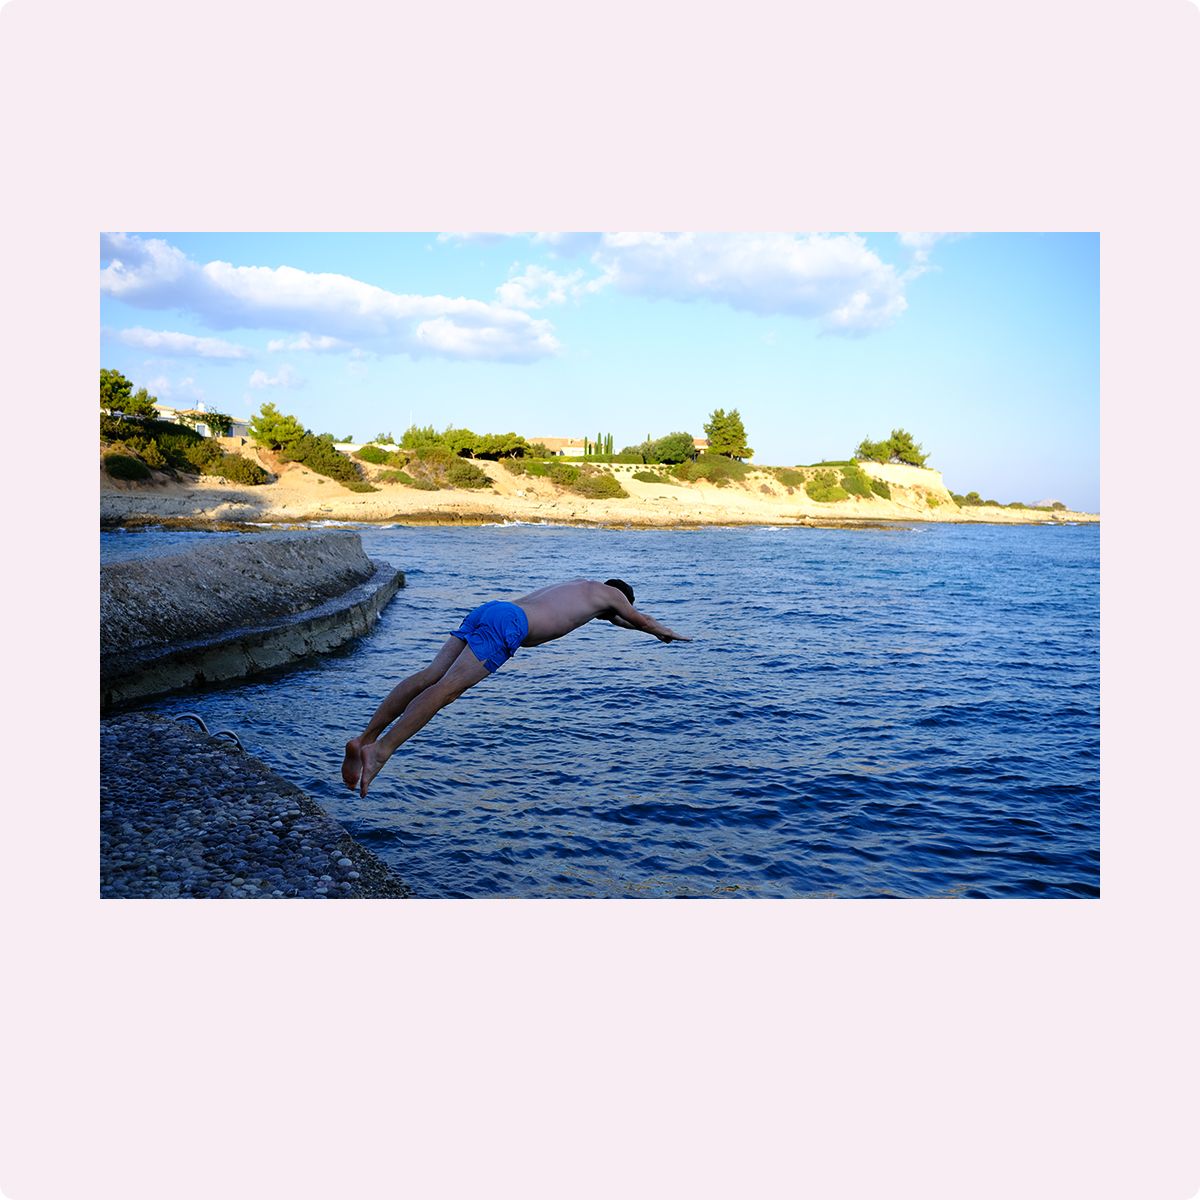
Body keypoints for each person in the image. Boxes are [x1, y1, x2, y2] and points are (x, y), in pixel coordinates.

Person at [342, 578, 690, 797]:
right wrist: (663, 631)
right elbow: (636, 618)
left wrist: (641, 629)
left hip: (494, 609)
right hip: (511, 623)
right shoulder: (613, 593)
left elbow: (622, 622)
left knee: (430, 674)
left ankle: (364, 739)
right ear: (621, 596)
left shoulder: (581, 589)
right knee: (448, 690)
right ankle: (382, 750)